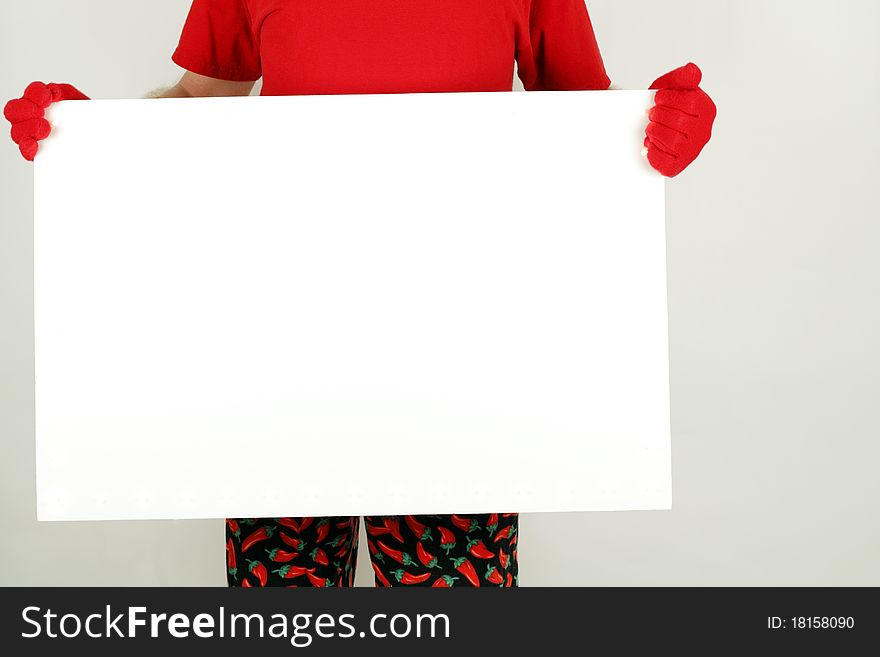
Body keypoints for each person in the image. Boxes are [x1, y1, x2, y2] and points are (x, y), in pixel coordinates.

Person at [4, 0, 716, 587]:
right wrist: (91, 142)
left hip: (464, 369)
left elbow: (584, 121)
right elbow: (196, 105)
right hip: (283, 359)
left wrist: (659, 126)